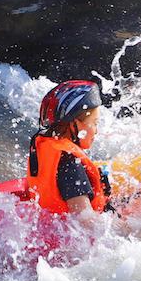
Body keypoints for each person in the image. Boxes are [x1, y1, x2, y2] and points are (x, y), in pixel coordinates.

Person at [24, 79, 111, 219]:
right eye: (94, 123)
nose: (97, 131)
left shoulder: (46, 148)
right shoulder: (70, 166)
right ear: (75, 124)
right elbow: (87, 223)